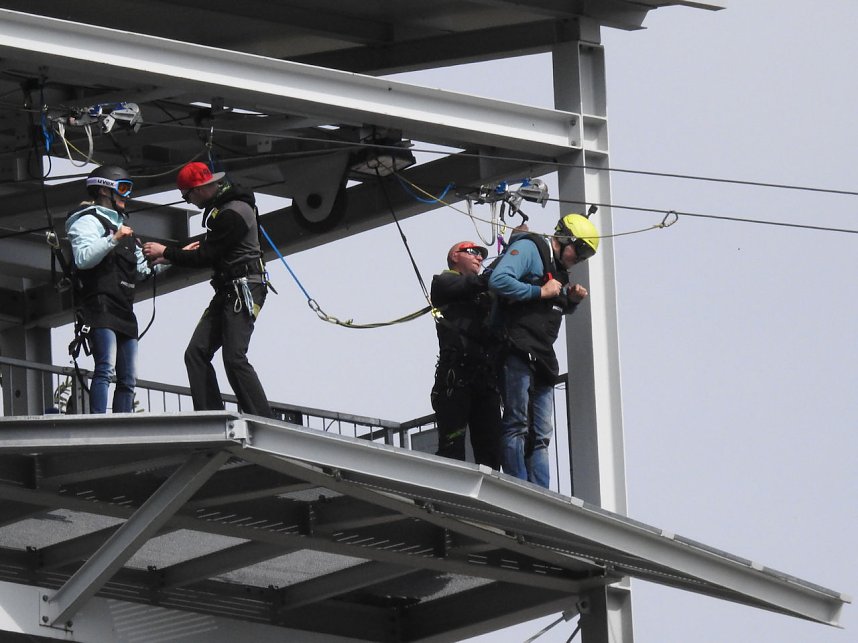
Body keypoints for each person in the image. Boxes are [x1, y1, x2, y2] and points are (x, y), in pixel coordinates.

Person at [142, 162, 273, 417]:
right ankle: (210, 415)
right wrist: (172, 257)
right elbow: (214, 249)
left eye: (187, 196)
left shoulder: (233, 212)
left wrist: (166, 252)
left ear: (198, 189)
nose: (188, 202)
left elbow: (208, 255)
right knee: (196, 352)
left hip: (245, 288)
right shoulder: (226, 208)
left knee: (234, 357)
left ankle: (262, 419)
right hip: (229, 289)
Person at [487, 214, 599, 488]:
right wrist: (541, 293)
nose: (579, 258)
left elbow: (548, 306)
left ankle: (541, 493)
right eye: (579, 249)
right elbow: (499, 280)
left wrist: (569, 301)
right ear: (563, 238)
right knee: (517, 422)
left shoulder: (558, 271)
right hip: (517, 346)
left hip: (542, 356)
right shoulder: (531, 249)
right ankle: (519, 487)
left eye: (585, 255)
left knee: (542, 434)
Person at [66, 165, 158, 413]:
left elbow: (140, 271)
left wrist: (168, 259)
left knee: (128, 378)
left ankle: (124, 423)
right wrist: (113, 238)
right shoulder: (88, 221)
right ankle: (98, 420)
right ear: (104, 190)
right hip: (100, 306)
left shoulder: (125, 230)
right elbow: (83, 258)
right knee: (105, 368)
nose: (126, 196)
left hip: (124, 309)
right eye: (123, 188)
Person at [430, 241, 502, 469]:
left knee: (490, 450)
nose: (479, 257)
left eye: (482, 255)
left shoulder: (483, 293)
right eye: (473, 252)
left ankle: (492, 499)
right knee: (452, 447)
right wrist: (510, 255)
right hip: (456, 377)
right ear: (454, 256)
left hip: (484, 378)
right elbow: (475, 283)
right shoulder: (443, 282)